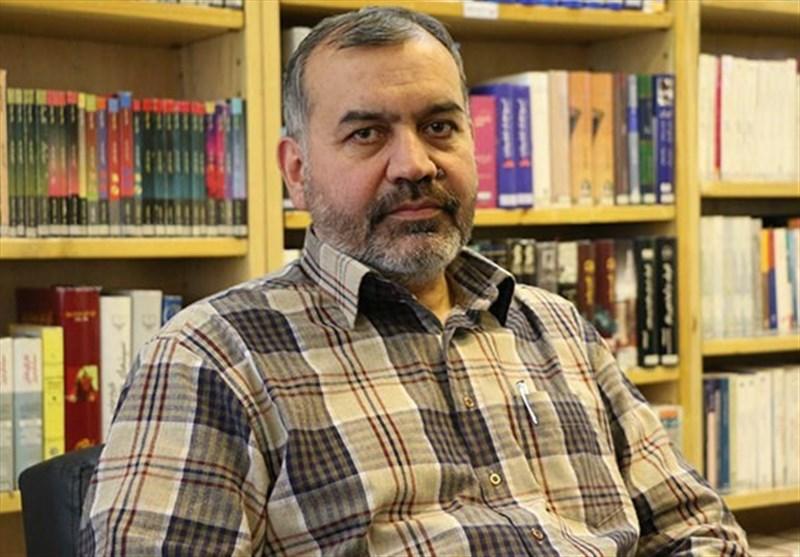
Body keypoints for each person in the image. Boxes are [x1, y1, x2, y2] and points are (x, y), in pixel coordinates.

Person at [80, 7, 748, 555]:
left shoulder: (557, 327)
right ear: (297, 172)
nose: (415, 164)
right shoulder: (212, 357)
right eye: (368, 134)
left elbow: (698, 529)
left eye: (439, 127)